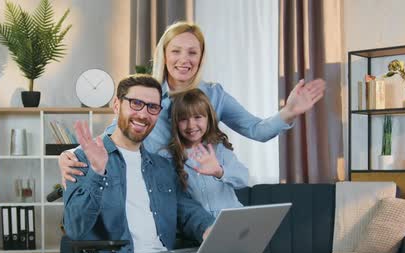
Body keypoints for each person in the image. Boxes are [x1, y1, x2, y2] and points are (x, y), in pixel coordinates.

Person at [63, 74, 271, 253]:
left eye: (152, 107)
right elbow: (75, 228)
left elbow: (186, 209)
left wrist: (207, 228)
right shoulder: (84, 159)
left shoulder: (161, 166)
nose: (143, 114)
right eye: (136, 103)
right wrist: (98, 172)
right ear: (117, 105)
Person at [59, 21, 326, 184]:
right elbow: (113, 136)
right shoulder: (147, 97)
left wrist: (289, 111)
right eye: (176, 51)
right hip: (158, 199)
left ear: (201, 57)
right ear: (164, 54)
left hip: (201, 202)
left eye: (192, 52)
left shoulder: (215, 95)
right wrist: (68, 156)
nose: (183, 60)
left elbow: (256, 129)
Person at [162, 88, 248, 217]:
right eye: (183, 119)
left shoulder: (219, 148)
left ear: (209, 119)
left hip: (232, 220)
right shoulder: (167, 156)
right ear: (175, 122)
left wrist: (219, 171)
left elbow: (243, 178)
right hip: (198, 228)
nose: (191, 125)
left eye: (197, 117)